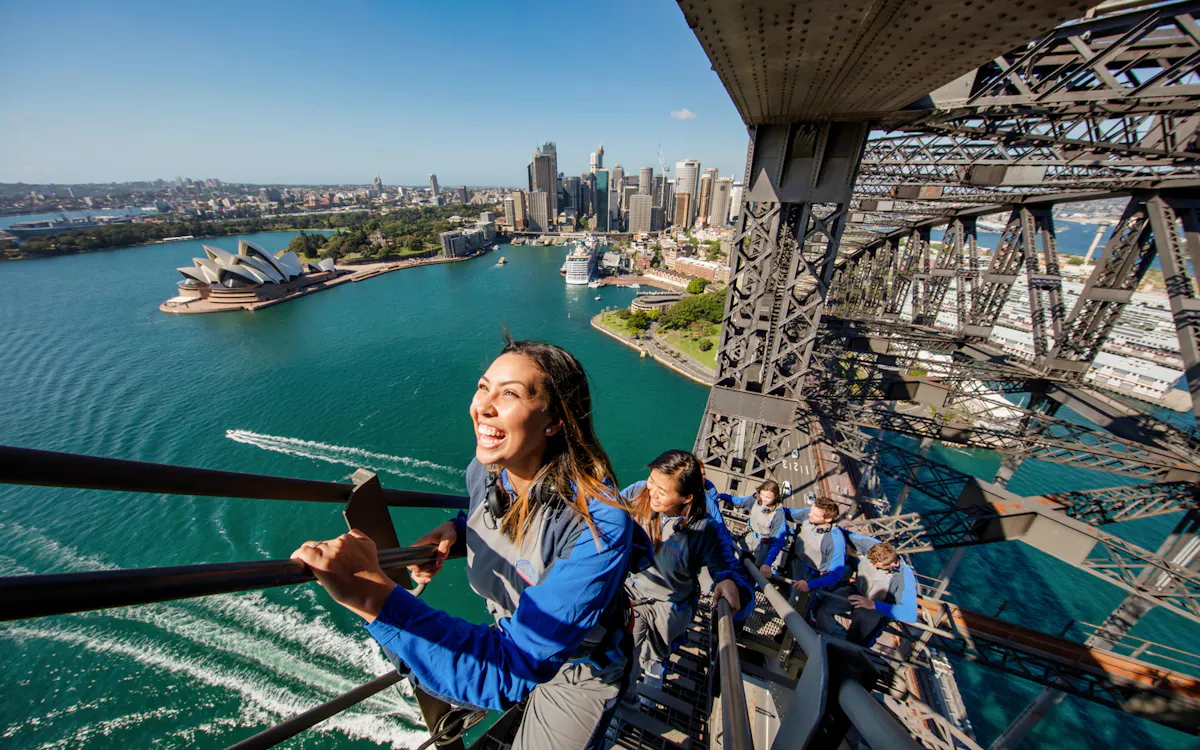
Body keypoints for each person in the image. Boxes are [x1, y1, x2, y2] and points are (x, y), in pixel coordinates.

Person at [291, 338, 651, 750]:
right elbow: (502, 516)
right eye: (484, 387)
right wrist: (457, 530)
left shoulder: (600, 524)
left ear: (554, 421)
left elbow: (507, 669)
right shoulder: (486, 473)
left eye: (510, 393)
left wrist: (370, 593)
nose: (483, 405)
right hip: (516, 637)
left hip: (578, 669)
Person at [621, 450, 751, 682]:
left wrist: (729, 581)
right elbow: (606, 512)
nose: (652, 493)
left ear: (687, 497)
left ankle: (651, 683)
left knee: (655, 657)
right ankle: (626, 700)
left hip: (668, 607)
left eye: (662, 492)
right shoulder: (638, 492)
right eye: (652, 481)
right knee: (624, 652)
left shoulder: (703, 529)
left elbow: (727, 566)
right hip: (632, 593)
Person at [814, 536, 917, 646]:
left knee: (857, 636)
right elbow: (843, 534)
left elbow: (910, 614)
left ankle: (846, 648)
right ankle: (832, 639)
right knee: (823, 610)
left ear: (893, 564)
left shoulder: (905, 577)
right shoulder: (875, 547)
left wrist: (873, 605)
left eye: (878, 567)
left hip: (874, 606)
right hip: (856, 591)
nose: (873, 566)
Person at [784, 496, 847, 609]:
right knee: (786, 588)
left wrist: (810, 585)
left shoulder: (836, 541)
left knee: (794, 603)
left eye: (815, 515)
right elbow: (791, 513)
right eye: (811, 510)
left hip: (809, 576)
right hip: (795, 562)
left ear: (828, 519)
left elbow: (835, 575)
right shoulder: (809, 515)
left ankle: (787, 623)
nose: (810, 515)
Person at [724, 479, 787, 577]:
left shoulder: (778, 513)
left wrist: (768, 563)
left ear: (776, 497)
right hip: (749, 536)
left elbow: (777, 541)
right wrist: (723, 496)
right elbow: (741, 502)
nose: (764, 499)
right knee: (736, 562)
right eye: (762, 495)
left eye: (768, 497)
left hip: (763, 545)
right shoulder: (756, 500)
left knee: (754, 572)